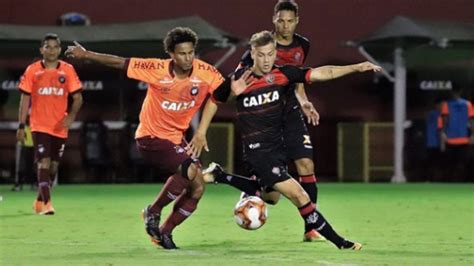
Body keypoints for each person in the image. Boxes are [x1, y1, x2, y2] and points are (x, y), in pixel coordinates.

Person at [209, 30, 381, 250]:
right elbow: (216, 99)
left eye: (270, 54)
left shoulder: (283, 74)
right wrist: (201, 131)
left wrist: (355, 68)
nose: (266, 59)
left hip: (275, 147)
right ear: (252, 53)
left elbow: (321, 73)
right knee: (299, 195)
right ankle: (340, 242)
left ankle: (220, 176)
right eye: (261, 54)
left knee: (271, 198)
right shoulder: (240, 78)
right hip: (258, 152)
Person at [65, 27, 226, 249]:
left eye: (191, 52)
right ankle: (153, 211)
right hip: (150, 137)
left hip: (176, 139)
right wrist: (86, 55)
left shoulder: (205, 72)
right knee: (190, 171)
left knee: (198, 187)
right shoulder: (156, 69)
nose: (188, 58)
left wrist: (201, 132)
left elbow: (222, 93)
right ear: (171, 53)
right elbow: (119, 62)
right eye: (182, 53)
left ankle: (164, 233)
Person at [237, 0, 324, 241]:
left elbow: (297, 80)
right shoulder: (260, 48)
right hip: (267, 115)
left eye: (290, 20)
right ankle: (252, 188)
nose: (285, 25)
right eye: (281, 20)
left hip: (291, 111)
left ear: (297, 21)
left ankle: (310, 228)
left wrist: (304, 101)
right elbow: (241, 84)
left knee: (306, 164)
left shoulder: (302, 45)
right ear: (274, 20)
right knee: (272, 197)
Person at [17, 33, 83, 215]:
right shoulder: (32, 70)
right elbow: (24, 99)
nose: (52, 50)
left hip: (59, 127)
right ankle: (47, 203)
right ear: (41, 50)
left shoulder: (67, 70)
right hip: (39, 125)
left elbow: (78, 98)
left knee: (53, 166)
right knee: (43, 163)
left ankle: (39, 200)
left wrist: (71, 116)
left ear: (60, 50)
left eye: (55, 47)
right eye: (48, 47)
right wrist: (22, 126)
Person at [440, 89, 474, 181]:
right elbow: (471, 121)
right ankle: (458, 182)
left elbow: (445, 120)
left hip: (456, 139)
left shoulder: (447, 104)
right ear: (460, 92)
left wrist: (443, 132)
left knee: (455, 163)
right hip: (458, 139)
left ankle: (455, 182)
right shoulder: (468, 104)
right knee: (459, 163)